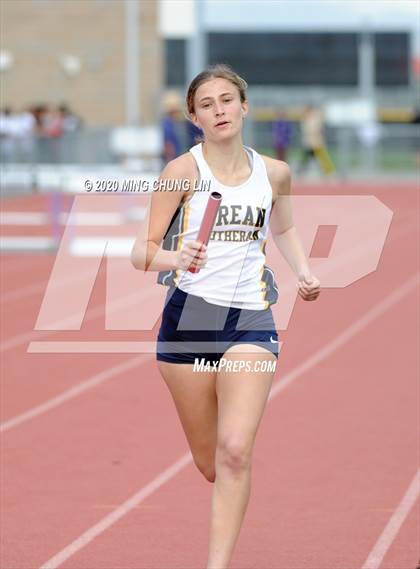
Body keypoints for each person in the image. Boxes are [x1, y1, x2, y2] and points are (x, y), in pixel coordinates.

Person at [131, 64, 320, 568]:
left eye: (226, 100)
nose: (219, 110)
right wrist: (177, 256)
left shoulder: (275, 172)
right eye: (207, 104)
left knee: (236, 452)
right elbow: (141, 251)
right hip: (187, 324)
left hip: (250, 321)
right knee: (212, 463)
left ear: (244, 106)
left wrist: (303, 270)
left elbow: (284, 229)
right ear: (194, 117)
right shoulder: (183, 173)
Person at [297, 104, 335, 177]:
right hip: (308, 143)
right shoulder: (306, 120)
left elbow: (322, 114)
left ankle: (329, 171)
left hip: (317, 143)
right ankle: (301, 171)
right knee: (305, 159)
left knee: (322, 158)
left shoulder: (316, 118)